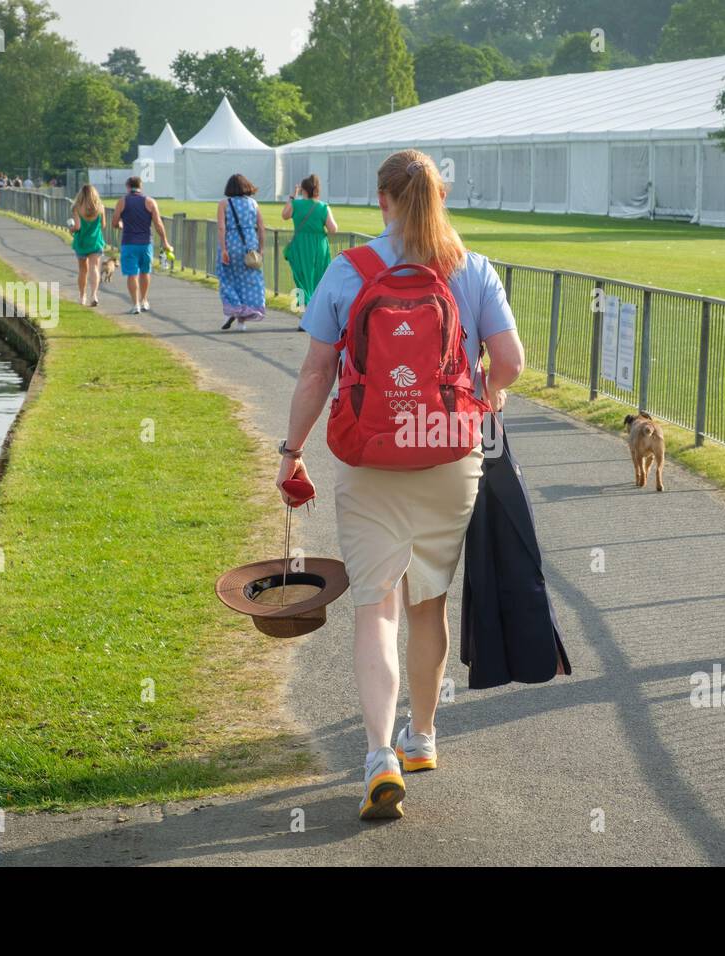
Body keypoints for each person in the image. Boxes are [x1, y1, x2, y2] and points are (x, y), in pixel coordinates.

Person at [277, 149, 524, 820]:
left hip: (369, 455)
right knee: (428, 603)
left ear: (382, 200)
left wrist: (291, 452)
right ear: (438, 198)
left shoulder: (348, 270)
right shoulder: (471, 268)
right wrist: (482, 403)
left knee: (375, 606)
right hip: (448, 456)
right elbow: (510, 362)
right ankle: (424, 737)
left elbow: (315, 374)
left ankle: (379, 756)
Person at [110, 175, 172, 314]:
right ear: (140, 186)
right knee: (145, 272)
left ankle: (135, 304)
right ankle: (144, 300)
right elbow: (158, 224)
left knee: (132, 274)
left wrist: (121, 224)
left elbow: (114, 223)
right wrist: (165, 241)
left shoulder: (122, 201)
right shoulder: (150, 202)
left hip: (129, 243)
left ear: (127, 187)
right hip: (146, 243)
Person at [281, 174, 337, 316]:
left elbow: (285, 215)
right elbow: (333, 229)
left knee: (300, 279)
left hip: (300, 245)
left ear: (303, 190)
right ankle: (315, 313)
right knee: (318, 279)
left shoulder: (296, 204)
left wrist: (292, 197)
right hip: (319, 246)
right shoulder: (323, 207)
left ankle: (302, 312)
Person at [216, 173, 267, 331]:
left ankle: (234, 309)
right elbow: (261, 227)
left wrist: (224, 248)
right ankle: (242, 322)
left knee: (228, 278)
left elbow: (221, 227)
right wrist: (261, 248)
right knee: (249, 281)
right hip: (250, 244)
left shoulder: (224, 203)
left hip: (231, 243)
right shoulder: (253, 203)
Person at [70, 184, 107, 307]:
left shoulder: (77, 208)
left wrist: (71, 229)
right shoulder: (100, 207)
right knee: (94, 268)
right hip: (95, 241)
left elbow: (78, 227)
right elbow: (103, 225)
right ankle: (94, 294)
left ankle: (82, 297)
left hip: (81, 242)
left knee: (82, 270)